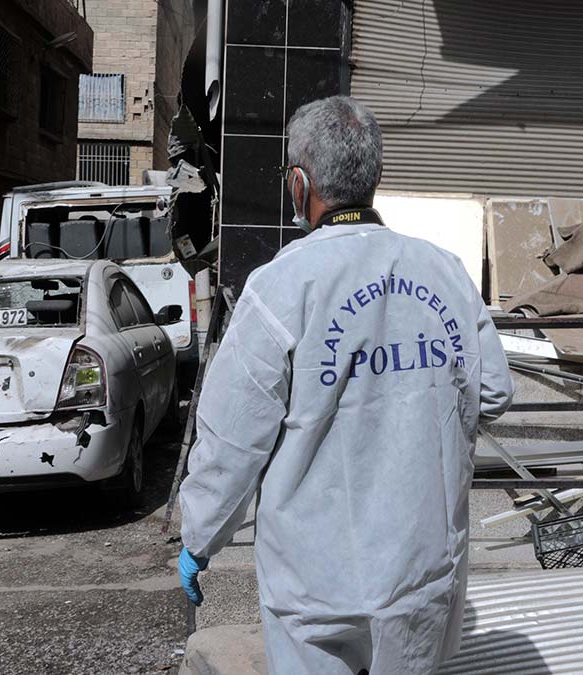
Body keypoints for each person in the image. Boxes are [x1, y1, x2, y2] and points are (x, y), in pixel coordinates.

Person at [177, 97, 514, 674]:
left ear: (300, 184)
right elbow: (493, 395)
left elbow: (234, 437)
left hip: (316, 583)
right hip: (420, 568)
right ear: (374, 177)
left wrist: (199, 537)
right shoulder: (444, 272)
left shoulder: (281, 285)